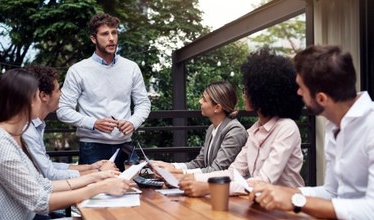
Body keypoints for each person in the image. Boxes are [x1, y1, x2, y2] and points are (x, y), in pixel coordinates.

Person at [248, 45, 374, 219]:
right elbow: (331, 191)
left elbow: (371, 209)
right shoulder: (334, 126)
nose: (298, 92)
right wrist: (281, 192)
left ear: (321, 98)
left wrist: (295, 200)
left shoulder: (371, 127)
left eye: (302, 87)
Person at [0, 68, 130, 220]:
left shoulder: (12, 136)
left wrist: (96, 177)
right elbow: (40, 201)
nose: (40, 99)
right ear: (26, 101)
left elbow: (43, 184)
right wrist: (99, 187)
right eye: (36, 96)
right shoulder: (0, 141)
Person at [179, 48, 305, 197]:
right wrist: (190, 178)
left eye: (247, 89)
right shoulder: (253, 131)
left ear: (263, 93)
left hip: (288, 210)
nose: (244, 94)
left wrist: (208, 187)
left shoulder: (287, 128)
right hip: (259, 205)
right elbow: (234, 172)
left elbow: (263, 181)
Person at [57, 13, 151, 171]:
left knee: (132, 192)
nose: (112, 38)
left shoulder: (131, 67)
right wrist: (93, 123)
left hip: (125, 146)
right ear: (93, 39)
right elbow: (63, 110)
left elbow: (143, 103)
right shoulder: (78, 70)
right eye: (105, 34)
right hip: (92, 147)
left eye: (114, 32)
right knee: (93, 194)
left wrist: (133, 123)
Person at [22, 65, 118, 180]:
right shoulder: (27, 130)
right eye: (58, 90)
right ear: (43, 96)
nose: (61, 94)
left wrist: (90, 167)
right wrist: (98, 172)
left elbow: (47, 167)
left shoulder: (36, 126)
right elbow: (49, 175)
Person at [152, 81, 247, 174]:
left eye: (204, 100)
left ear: (217, 108)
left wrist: (177, 172)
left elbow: (217, 169)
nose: (200, 101)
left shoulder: (235, 131)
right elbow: (200, 163)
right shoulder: (211, 129)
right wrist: (170, 166)